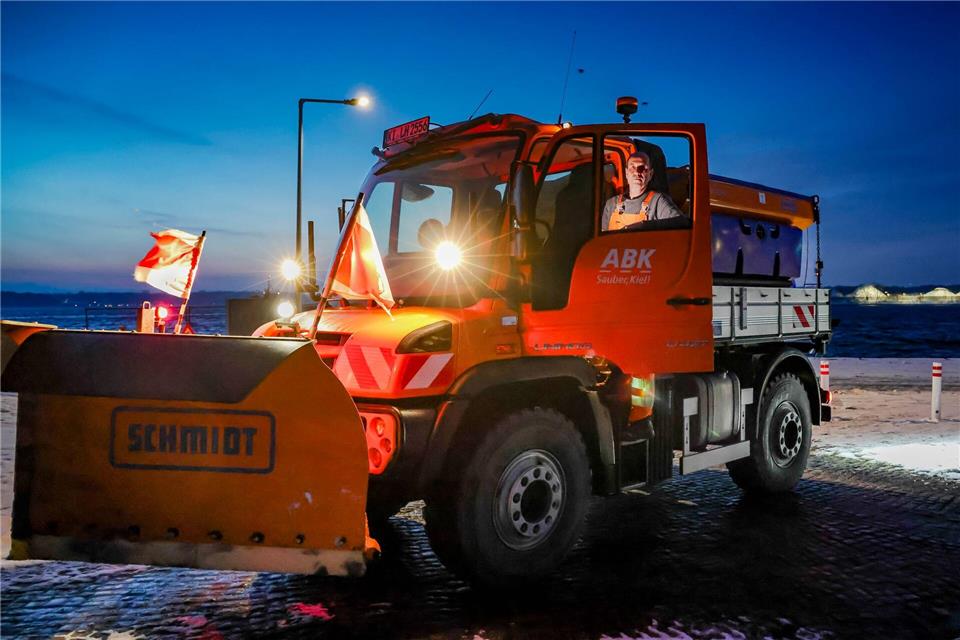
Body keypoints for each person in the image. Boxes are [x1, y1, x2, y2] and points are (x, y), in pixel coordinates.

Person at [601, 151, 684, 231]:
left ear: (650, 174)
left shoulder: (658, 201)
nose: (637, 172)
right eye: (632, 167)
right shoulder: (611, 204)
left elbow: (682, 222)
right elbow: (602, 239)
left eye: (642, 168)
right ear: (626, 173)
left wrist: (644, 226)